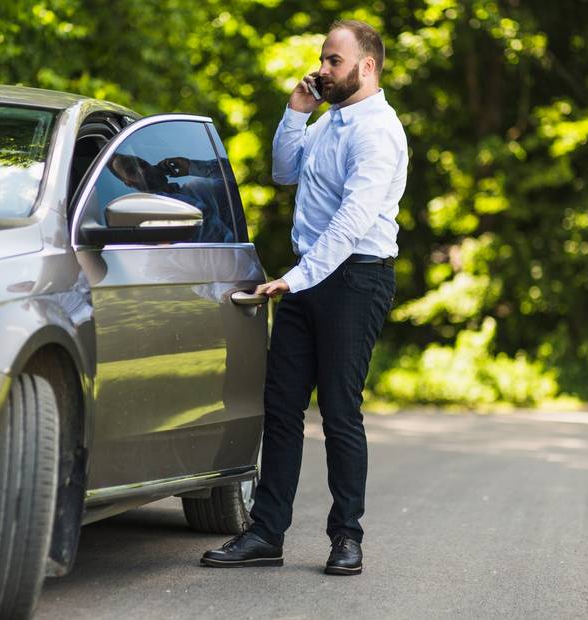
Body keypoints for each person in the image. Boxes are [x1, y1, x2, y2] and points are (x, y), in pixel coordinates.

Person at [201, 19, 408, 575]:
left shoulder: (377, 131)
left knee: (340, 410)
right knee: (282, 407)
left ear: (366, 66)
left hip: (355, 279)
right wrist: (296, 110)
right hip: (308, 277)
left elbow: (354, 219)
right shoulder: (327, 122)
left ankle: (347, 537)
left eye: (333, 61)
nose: (322, 69)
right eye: (322, 59)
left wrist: (298, 276)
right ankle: (266, 534)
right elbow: (283, 171)